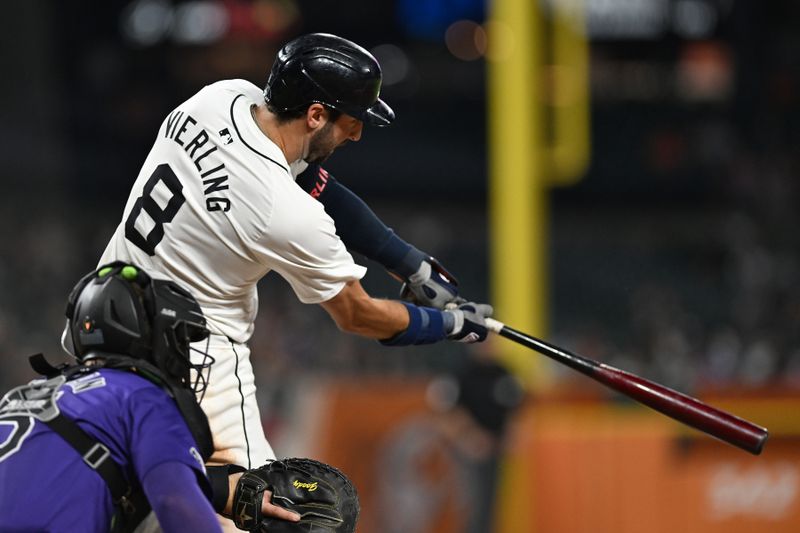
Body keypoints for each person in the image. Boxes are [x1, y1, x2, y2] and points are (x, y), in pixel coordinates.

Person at [93, 31, 492, 517]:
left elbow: (313, 181)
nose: (358, 133)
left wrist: (406, 260)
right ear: (316, 115)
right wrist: (449, 326)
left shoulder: (218, 99)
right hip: (194, 366)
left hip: (102, 321)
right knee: (275, 514)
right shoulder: (284, 212)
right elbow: (357, 315)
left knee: (129, 498)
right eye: (352, 120)